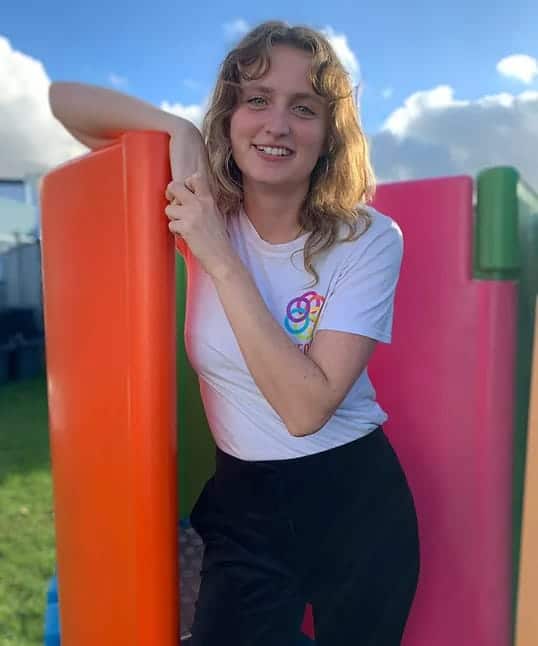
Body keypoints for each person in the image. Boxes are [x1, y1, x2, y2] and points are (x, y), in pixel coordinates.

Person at [49, 20, 420, 646]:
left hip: (355, 499)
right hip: (246, 498)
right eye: (257, 99)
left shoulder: (368, 239)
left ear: (328, 134)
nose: (276, 124)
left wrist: (218, 256)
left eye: (303, 108)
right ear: (230, 116)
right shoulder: (202, 203)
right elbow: (65, 101)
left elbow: (305, 408)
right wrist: (180, 132)